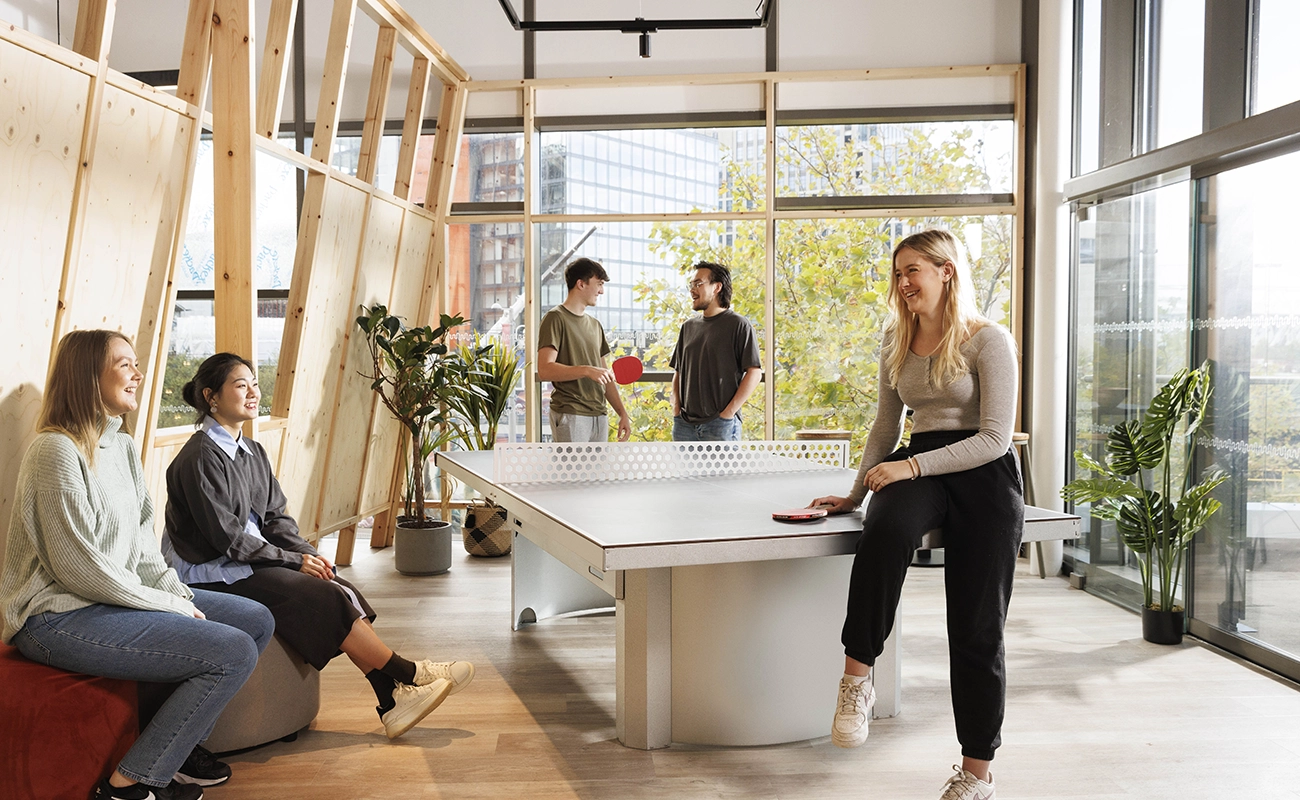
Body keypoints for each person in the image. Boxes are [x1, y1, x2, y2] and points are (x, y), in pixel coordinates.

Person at [0, 330, 275, 800]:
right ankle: (126, 787)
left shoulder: (122, 447)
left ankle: (175, 747)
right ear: (89, 375)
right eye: (125, 364)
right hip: (56, 617)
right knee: (233, 651)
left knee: (255, 620)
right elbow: (77, 567)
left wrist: (175, 594)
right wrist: (162, 605)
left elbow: (144, 548)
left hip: (111, 601)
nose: (139, 374)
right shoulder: (55, 450)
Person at [809, 230, 1022, 800]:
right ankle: (857, 680)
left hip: (982, 473)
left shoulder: (987, 339)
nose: (902, 284)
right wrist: (856, 495)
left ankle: (976, 774)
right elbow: (885, 426)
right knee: (885, 530)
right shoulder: (896, 340)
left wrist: (910, 469)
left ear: (946, 271)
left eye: (913, 272)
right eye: (897, 274)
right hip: (919, 463)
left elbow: (996, 438)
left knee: (977, 628)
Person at [161, 353, 475, 741]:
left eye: (255, 384)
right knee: (316, 596)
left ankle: (392, 699)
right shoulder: (198, 457)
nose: (253, 393)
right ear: (211, 396)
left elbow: (276, 518)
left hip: (247, 560)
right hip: (212, 569)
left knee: (335, 584)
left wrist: (307, 554)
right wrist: (293, 562)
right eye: (240, 385)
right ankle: (410, 674)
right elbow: (226, 539)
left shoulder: (253, 452)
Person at [537, 257, 632, 442]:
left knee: (597, 472)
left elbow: (604, 375)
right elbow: (544, 369)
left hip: (599, 414)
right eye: (599, 284)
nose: (601, 291)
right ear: (581, 284)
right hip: (571, 412)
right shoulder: (555, 318)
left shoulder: (595, 325)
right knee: (571, 472)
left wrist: (622, 413)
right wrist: (587, 370)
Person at [669, 261, 762, 441]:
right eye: (691, 285)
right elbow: (678, 372)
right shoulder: (688, 327)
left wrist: (728, 413)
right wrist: (676, 408)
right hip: (684, 425)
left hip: (720, 424)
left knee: (721, 471)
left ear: (717, 287)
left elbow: (754, 373)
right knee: (683, 471)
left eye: (698, 283)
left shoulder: (738, 324)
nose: (692, 290)